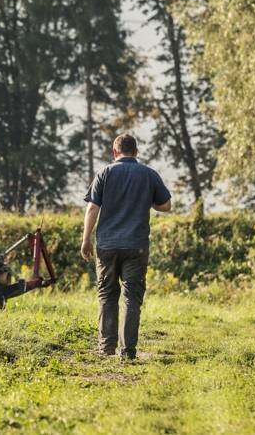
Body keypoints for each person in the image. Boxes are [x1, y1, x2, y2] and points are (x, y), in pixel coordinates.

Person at [81, 134, 171, 360]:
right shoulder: (149, 174)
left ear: (115, 152)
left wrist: (86, 239)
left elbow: (92, 209)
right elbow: (166, 205)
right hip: (136, 246)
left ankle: (106, 347)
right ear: (136, 152)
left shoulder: (105, 173)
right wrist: (147, 199)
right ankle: (128, 352)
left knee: (107, 295)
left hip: (107, 245)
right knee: (131, 297)